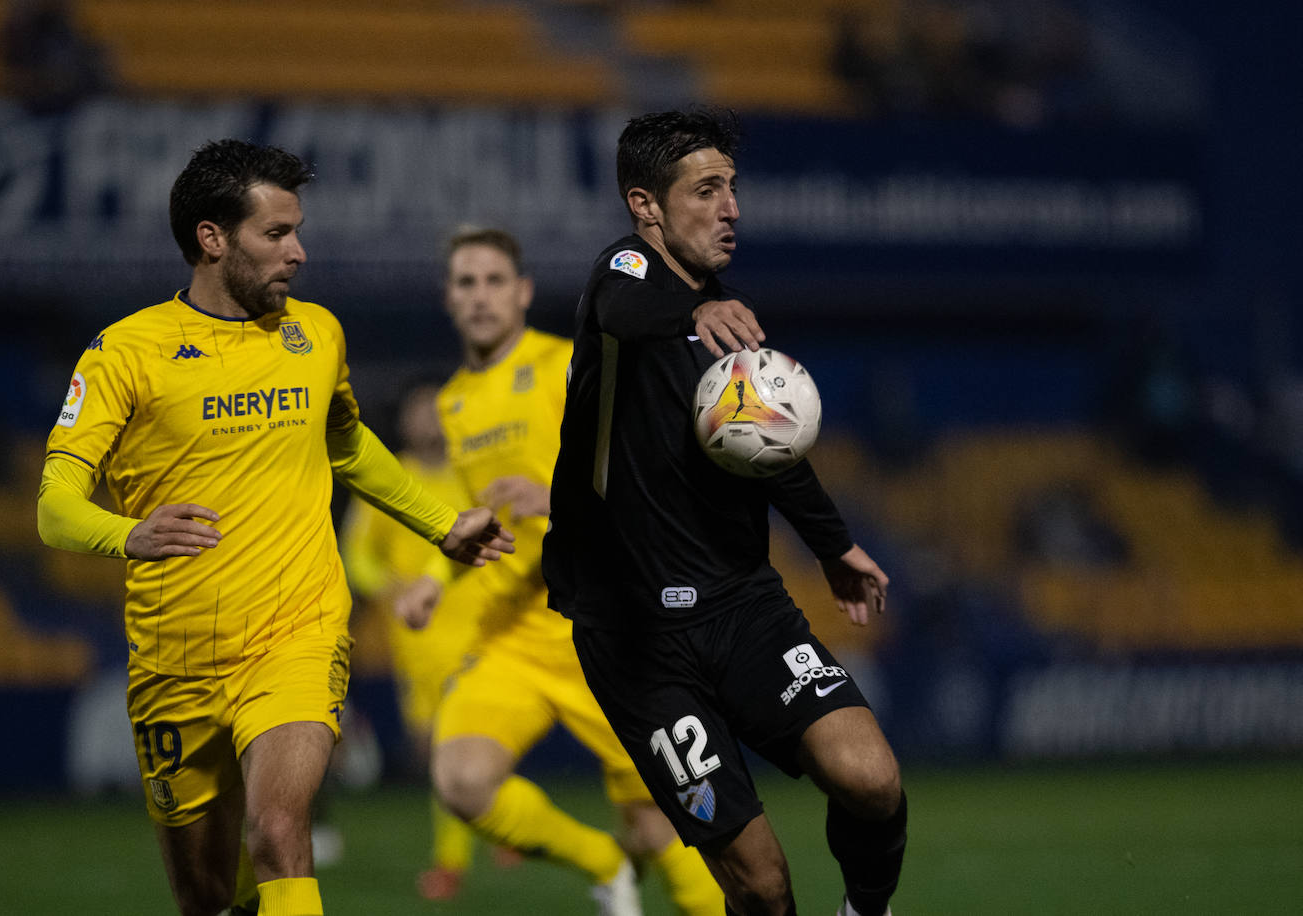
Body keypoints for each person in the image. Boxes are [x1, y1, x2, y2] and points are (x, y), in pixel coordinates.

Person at [36, 139, 513, 916]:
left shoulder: (316, 334)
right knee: (208, 898)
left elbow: (347, 444)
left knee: (281, 827)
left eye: (297, 231)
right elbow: (54, 503)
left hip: (297, 632)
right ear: (212, 239)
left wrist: (440, 524)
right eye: (276, 234)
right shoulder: (124, 354)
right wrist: (129, 534)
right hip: (174, 660)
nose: (299, 251)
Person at [542, 109, 908, 916]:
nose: (731, 207)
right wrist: (691, 312)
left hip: (745, 608)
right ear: (646, 205)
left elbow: (773, 454)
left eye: (732, 189)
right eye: (706, 190)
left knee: (872, 779)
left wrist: (835, 546)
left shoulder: (728, 324)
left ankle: (865, 910)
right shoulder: (626, 277)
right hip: (637, 639)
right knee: (761, 883)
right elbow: (624, 306)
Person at [396, 226, 724, 915]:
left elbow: (649, 478)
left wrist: (557, 499)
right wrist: (433, 576)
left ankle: (635, 858)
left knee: (665, 824)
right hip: (513, 637)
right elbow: (482, 517)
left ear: (522, 293)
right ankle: (602, 864)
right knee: (460, 779)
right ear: (448, 299)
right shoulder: (454, 405)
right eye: (465, 283)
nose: (480, 296)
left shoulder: (568, 367)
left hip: (607, 634)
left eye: (493, 281)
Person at [338, 380, 502, 900]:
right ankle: (502, 820)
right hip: (415, 639)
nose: (429, 421)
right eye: (419, 412)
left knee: (450, 747)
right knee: (436, 749)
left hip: (481, 631)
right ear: (405, 422)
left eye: (436, 410)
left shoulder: (474, 473)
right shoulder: (391, 477)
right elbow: (358, 556)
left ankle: (450, 864)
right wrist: (389, 587)